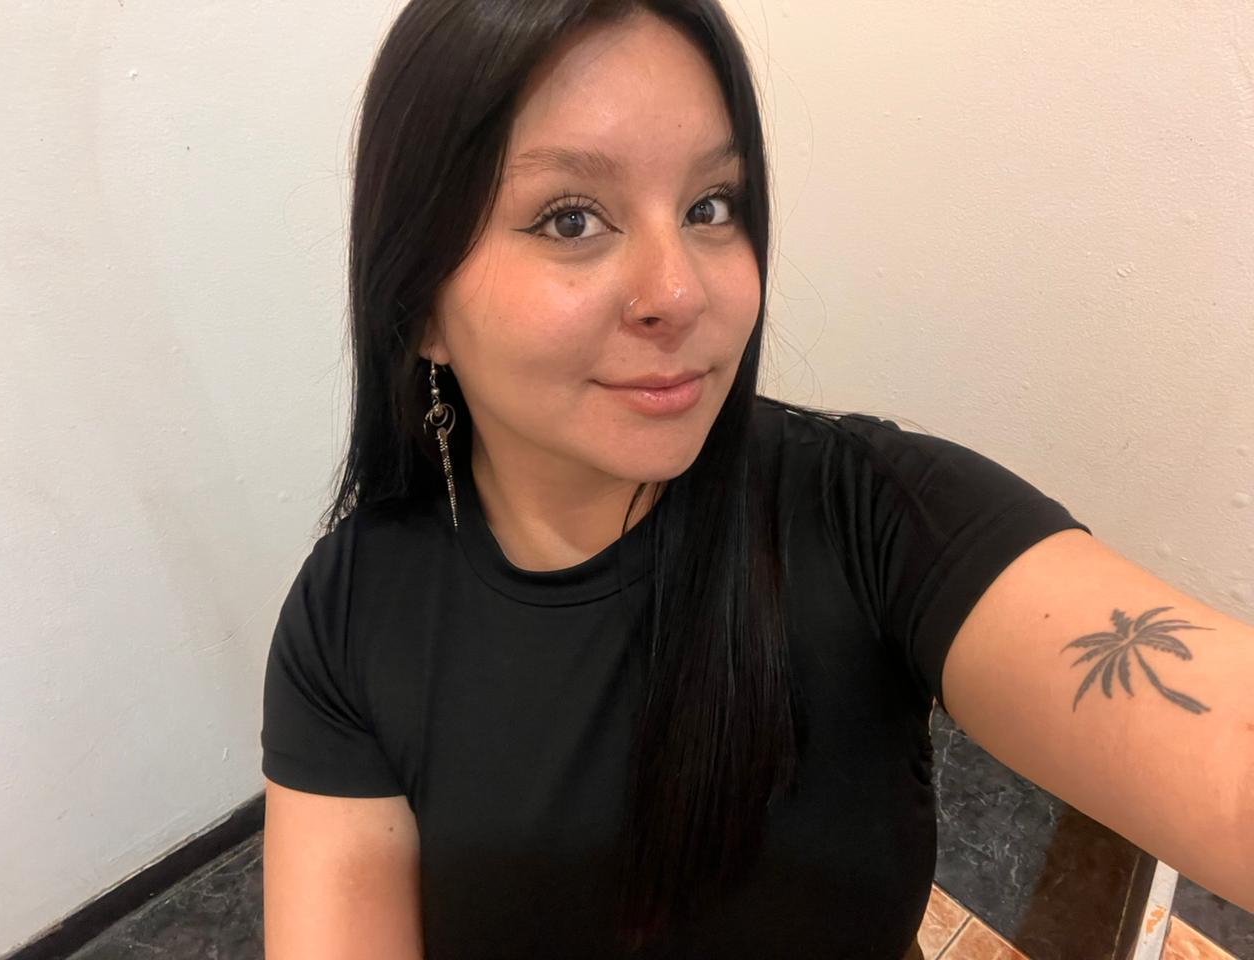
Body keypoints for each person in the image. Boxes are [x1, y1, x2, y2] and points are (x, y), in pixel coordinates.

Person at [259, 2, 1254, 958]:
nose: (679, 291)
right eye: (570, 219)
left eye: (710, 206)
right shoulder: (350, 618)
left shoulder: (868, 514)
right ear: (420, 306)